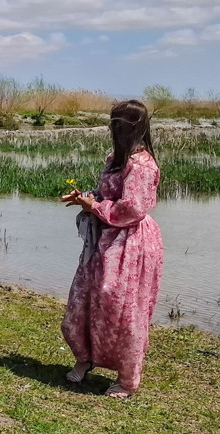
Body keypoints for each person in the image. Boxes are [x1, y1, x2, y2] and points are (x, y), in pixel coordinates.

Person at [60, 99, 163, 398]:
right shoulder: (114, 158)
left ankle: (128, 379)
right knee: (83, 300)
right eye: (112, 123)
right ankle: (85, 358)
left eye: (116, 124)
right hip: (103, 241)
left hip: (130, 243)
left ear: (129, 128)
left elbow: (132, 209)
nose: (112, 129)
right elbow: (108, 195)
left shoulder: (142, 165)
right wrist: (86, 197)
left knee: (123, 309)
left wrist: (95, 206)